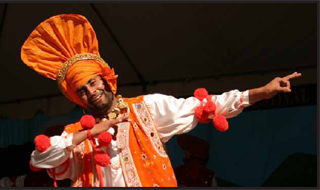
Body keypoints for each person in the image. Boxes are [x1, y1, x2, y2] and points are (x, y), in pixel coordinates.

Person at [21, 14, 301, 187]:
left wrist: (261, 92)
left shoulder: (147, 108)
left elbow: (204, 106)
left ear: (105, 79)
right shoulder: (77, 137)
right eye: (81, 90)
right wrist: (90, 133)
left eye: (92, 82)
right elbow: (40, 157)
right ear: (76, 97)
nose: (90, 91)